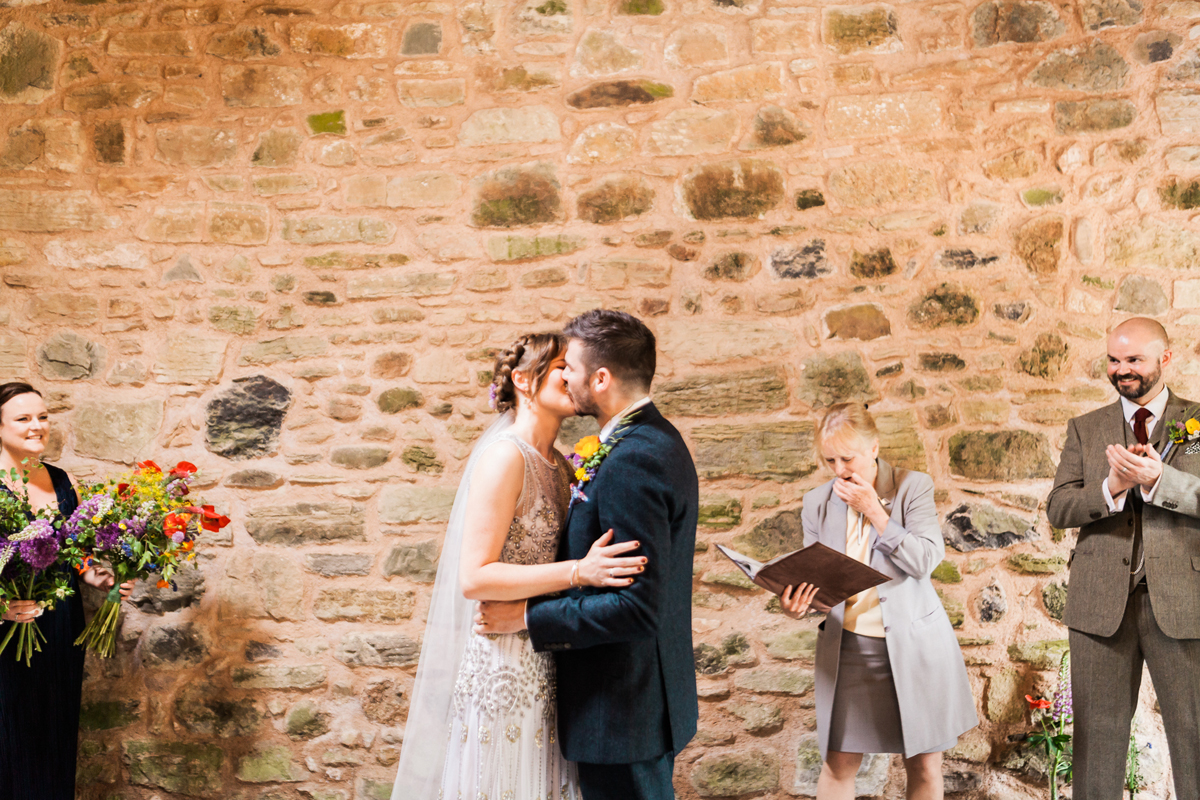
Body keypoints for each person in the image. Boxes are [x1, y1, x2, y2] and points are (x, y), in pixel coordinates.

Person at [391, 333, 647, 800]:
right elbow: (475, 576)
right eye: (560, 370)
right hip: (504, 663)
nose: (573, 378)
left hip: (550, 655)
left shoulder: (562, 467)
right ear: (524, 381)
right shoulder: (506, 457)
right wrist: (578, 572)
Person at [475, 309, 699, 800]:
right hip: (627, 704)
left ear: (601, 378)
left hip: (623, 709)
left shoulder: (634, 457)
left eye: (570, 367)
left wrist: (528, 618)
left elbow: (635, 607)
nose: (565, 376)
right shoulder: (648, 440)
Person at [781, 402, 976, 800]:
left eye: (847, 458)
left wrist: (874, 512)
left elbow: (924, 561)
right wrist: (800, 602)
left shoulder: (911, 486)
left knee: (923, 763)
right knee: (838, 765)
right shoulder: (816, 502)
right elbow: (820, 583)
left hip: (915, 648)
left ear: (874, 447)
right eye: (829, 460)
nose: (839, 470)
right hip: (849, 650)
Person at [1046, 317, 1200, 799]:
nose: (1122, 370)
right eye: (1114, 359)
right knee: (1096, 744)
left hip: (1184, 602)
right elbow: (1058, 507)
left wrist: (1160, 482)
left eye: (1133, 360)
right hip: (1099, 606)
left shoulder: (1198, 423)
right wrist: (1111, 488)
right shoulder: (1085, 429)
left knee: (1195, 738)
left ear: (1165, 359)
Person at [0, 382, 133, 800]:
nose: (37, 426)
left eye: (42, 417)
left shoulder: (62, 480)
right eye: (23, 418)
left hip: (58, 625)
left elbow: (75, 550)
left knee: (52, 734)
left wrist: (97, 577)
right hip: (6, 631)